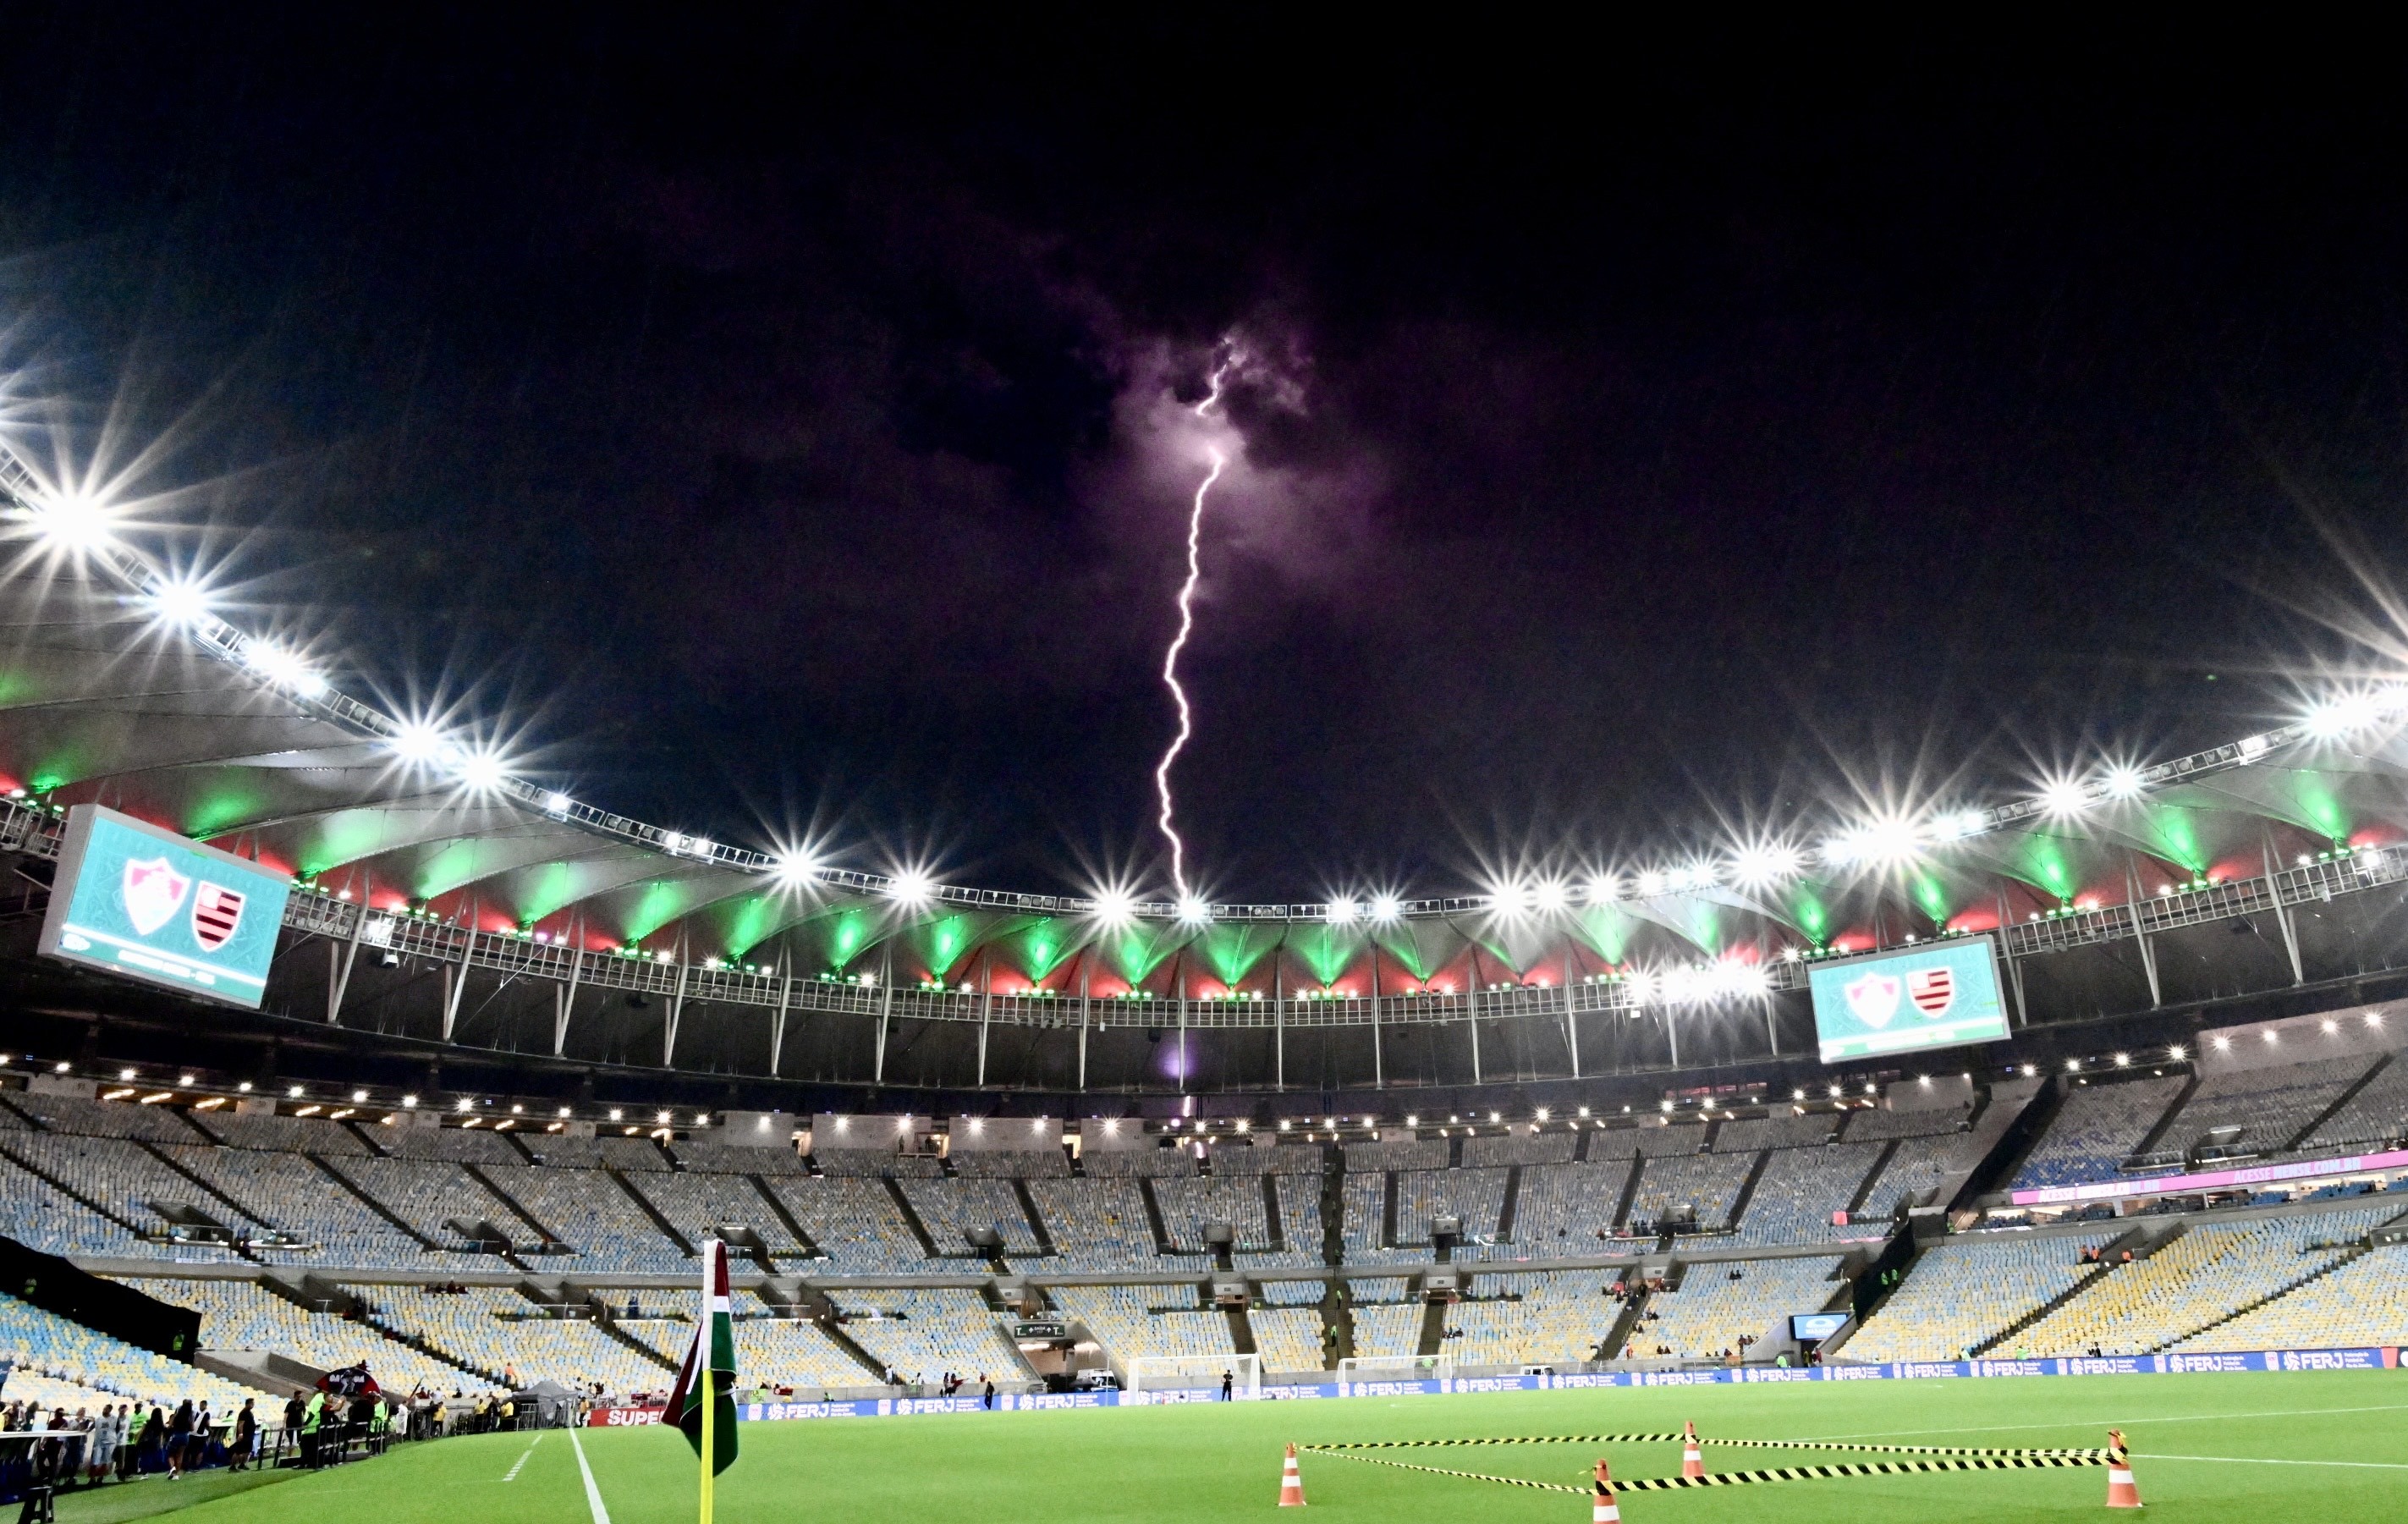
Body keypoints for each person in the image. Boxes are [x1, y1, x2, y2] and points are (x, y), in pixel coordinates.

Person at [231, 1400, 256, 1472]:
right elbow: (241, 1424)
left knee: (248, 1450)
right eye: (252, 1403)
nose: (253, 1405)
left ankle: (242, 1464)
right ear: (248, 1404)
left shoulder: (249, 1412)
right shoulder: (244, 1412)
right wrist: (241, 1434)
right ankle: (232, 1466)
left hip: (249, 1435)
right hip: (244, 1435)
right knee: (238, 1451)